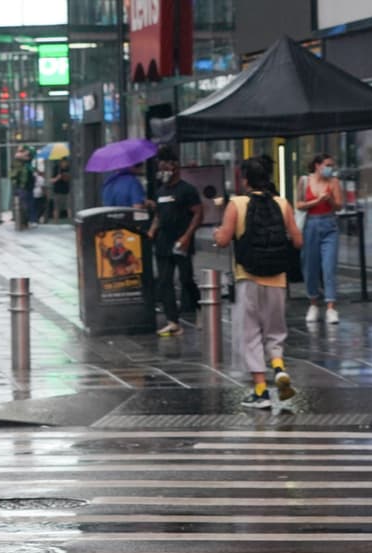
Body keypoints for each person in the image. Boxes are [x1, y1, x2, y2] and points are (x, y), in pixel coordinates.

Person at [213, 155, 303, 409]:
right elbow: (298, 241)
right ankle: (279, 367)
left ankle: (261, 391)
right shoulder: (282, 203)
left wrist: (217, 233)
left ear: (245, 180)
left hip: (248, 278)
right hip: (277, 279)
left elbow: (222, 240)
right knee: (275, 332)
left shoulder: (237, 204)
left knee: (250, 334)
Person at [147, 146, 203, 336]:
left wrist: (187, 236)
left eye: (164, 167)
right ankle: (173, 321)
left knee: (186, 279)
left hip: (181, 242)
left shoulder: (187, 190)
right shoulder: (160, 191)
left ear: (175, 167)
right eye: (159, 168)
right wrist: (152, 231)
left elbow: (198, 214)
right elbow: (158, 216)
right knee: (164, 282)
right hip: (163, 242)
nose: (162, 172)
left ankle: (199, 309)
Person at [296, 153, 344, 324]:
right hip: (311, 225)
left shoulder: (334, 182)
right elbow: (299, 204)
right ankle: (313, 302)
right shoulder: (304, 181)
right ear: (317, 165)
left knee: (329, 266)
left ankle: (331, 306)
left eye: (332, 165)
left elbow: (339, 206)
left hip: (329, 224)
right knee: (310, 266)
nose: (330, 168)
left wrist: (329, 199)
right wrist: (317, 201)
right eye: (327, 164)